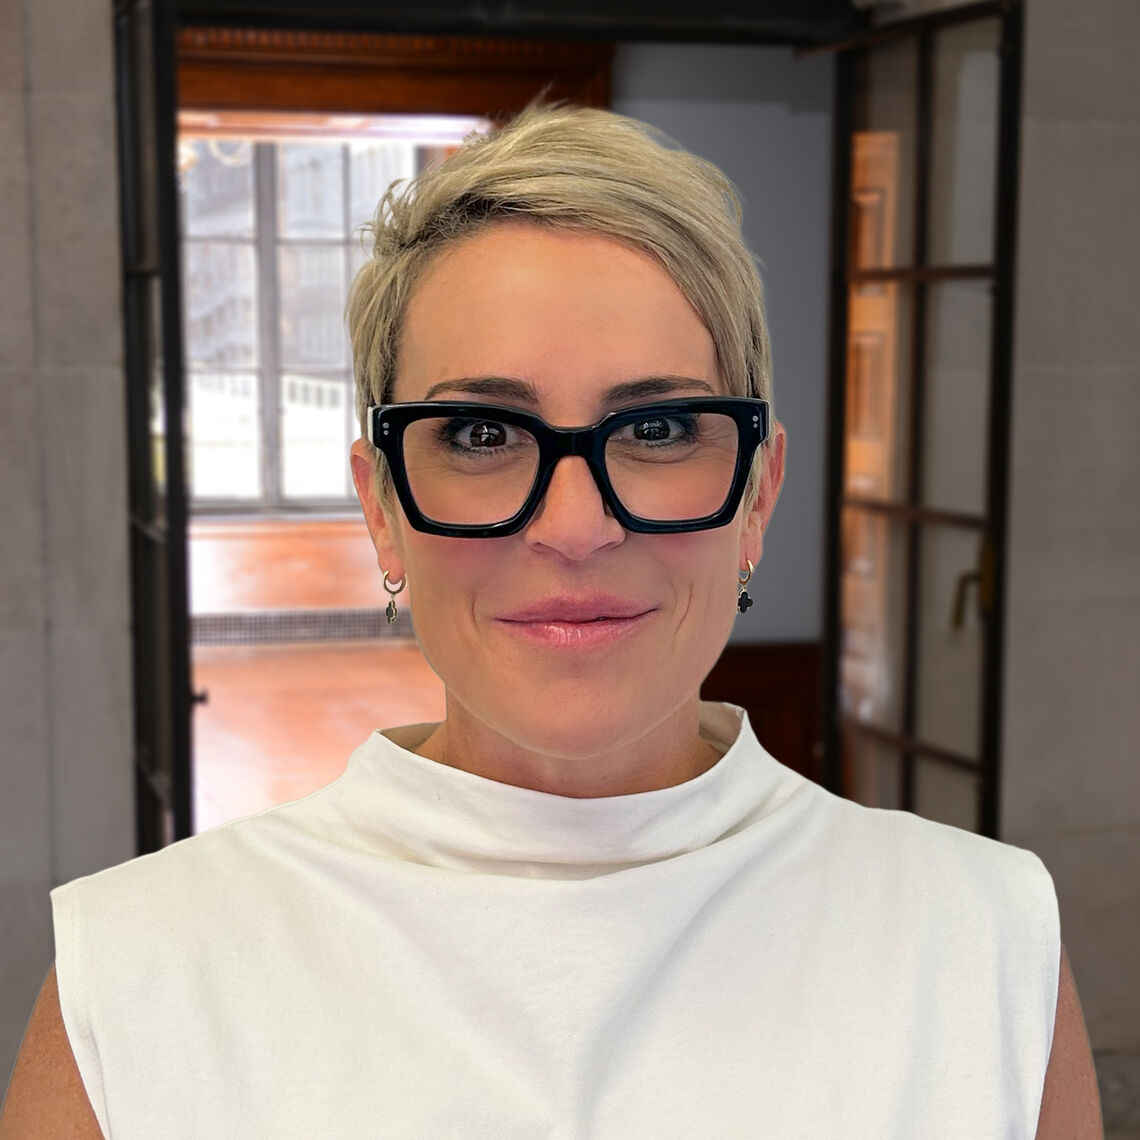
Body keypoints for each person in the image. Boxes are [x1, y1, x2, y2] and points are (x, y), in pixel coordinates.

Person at [1, 104, 1101, 1138]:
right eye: (481, 435)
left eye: (659, 428)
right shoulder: (137, 972)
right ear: (382, 508)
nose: (575, 528)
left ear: (758, 496)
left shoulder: (984, 939)